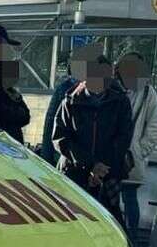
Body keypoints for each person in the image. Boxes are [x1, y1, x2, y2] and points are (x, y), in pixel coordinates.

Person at [50, 54, 133, 224]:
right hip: (75, 172)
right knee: (73, 222)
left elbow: (123, 138)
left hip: (108, 174)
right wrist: (90, 164)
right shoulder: (70, 101)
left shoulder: (120, 101)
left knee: (111, 223)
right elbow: (60, 138)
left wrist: (101, 168)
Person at [116, 52, 157, 241]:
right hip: (110, 153)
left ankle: (130, 239)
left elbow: (155, 126)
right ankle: (122, 238)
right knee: (108, 198)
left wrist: (139, 150)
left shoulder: (146, 92)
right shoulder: (111, 87)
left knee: (128, 197)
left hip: (130, 156)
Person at [37, 42, 99, 167]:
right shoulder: (64, 89)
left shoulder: (100, 91)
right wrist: (46, 156)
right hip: (68, 157)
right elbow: (51, 124)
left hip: (85, 161)